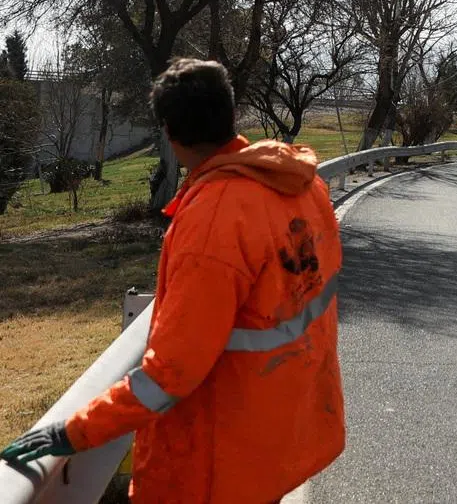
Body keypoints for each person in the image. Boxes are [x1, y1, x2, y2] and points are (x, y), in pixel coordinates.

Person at [2, 58, 345, 503]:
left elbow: (170, 374)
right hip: (280, 432)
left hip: (219, 459)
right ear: (230, 113)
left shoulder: (216, 218)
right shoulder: (302, 189)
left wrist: (73, 431)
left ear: (168, 131)